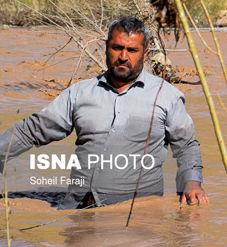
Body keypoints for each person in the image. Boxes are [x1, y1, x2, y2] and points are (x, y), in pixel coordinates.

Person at [0, 17, 208, 209]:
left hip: (138, 212)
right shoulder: (79, 93)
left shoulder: (167, 96)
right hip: (76, 207)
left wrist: (192, 182)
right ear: (107, 48)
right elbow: (33, 130)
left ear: (144, 53)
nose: (123, 56)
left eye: (132, 50)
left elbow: (186, 145)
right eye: (117, 48)